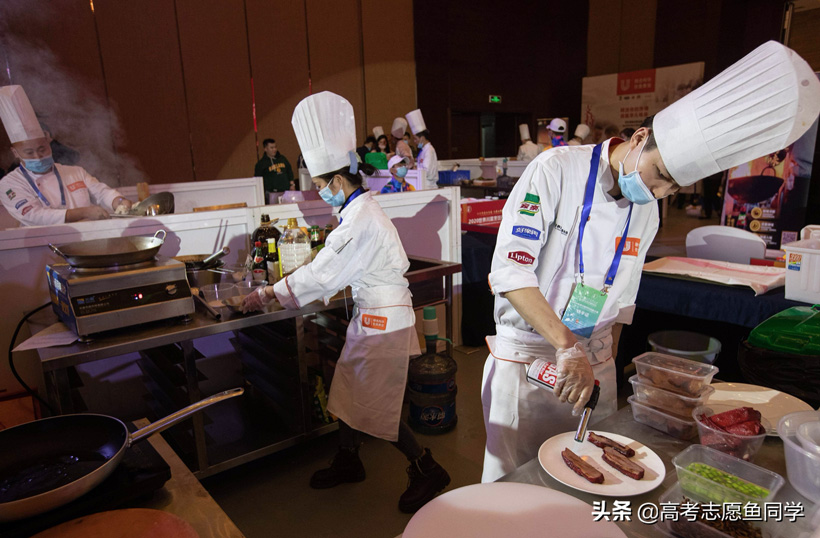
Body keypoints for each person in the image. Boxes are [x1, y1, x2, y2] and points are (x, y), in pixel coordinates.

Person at [480, 40, 820, 482]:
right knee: (517, 485)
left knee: (588, 483)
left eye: (673, 187)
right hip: (528, 361)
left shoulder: (647, 208)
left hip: (593, 366)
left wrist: (603, 358)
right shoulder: (555, 170)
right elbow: (510, 272)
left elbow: (624, 295)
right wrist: (567, 347)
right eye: (659, 175)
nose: (659, 194)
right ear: (639, 139)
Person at [243, 91, 450, 512]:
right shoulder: (359, 214)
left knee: (376, 406)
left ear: (338, 181)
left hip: (383, 325)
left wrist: (266, 293)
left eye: (320, 186)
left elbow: (321, 274)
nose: (320, 194)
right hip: (372, 318)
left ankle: (427, 468)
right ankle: (349, 459)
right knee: (348, 393)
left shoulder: (359, 223)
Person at [0, 85, 131, 226]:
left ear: (49, 143)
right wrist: (84, 212)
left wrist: (119, 201)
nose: (38, 156)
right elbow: (34, 215)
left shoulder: (75, 172)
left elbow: (101, 193)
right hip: (41, 244)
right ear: (15, 153)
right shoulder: (9, 184)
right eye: (29, 153)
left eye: (42, 149)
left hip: (87, 240)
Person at [406, 109, 438, 190]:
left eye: (415, 139)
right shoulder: (422, 151)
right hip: (422, 184)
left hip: (429, 186)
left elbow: (426, 171)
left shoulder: (429, 150)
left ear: (422, 138)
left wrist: (414, 168)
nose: (415, 142)